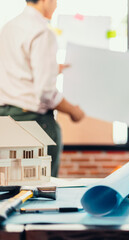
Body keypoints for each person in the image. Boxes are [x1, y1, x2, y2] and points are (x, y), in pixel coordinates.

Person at [0, 0, 85, 176]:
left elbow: (16, 70)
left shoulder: (8, 28)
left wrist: (53, 69)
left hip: (6, 119)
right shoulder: (42, 32)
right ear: (45, 0)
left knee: (11, 187)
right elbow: (45, 92)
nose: (56, 6)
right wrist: (73, 110)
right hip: (33, 122)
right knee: (40, 191)